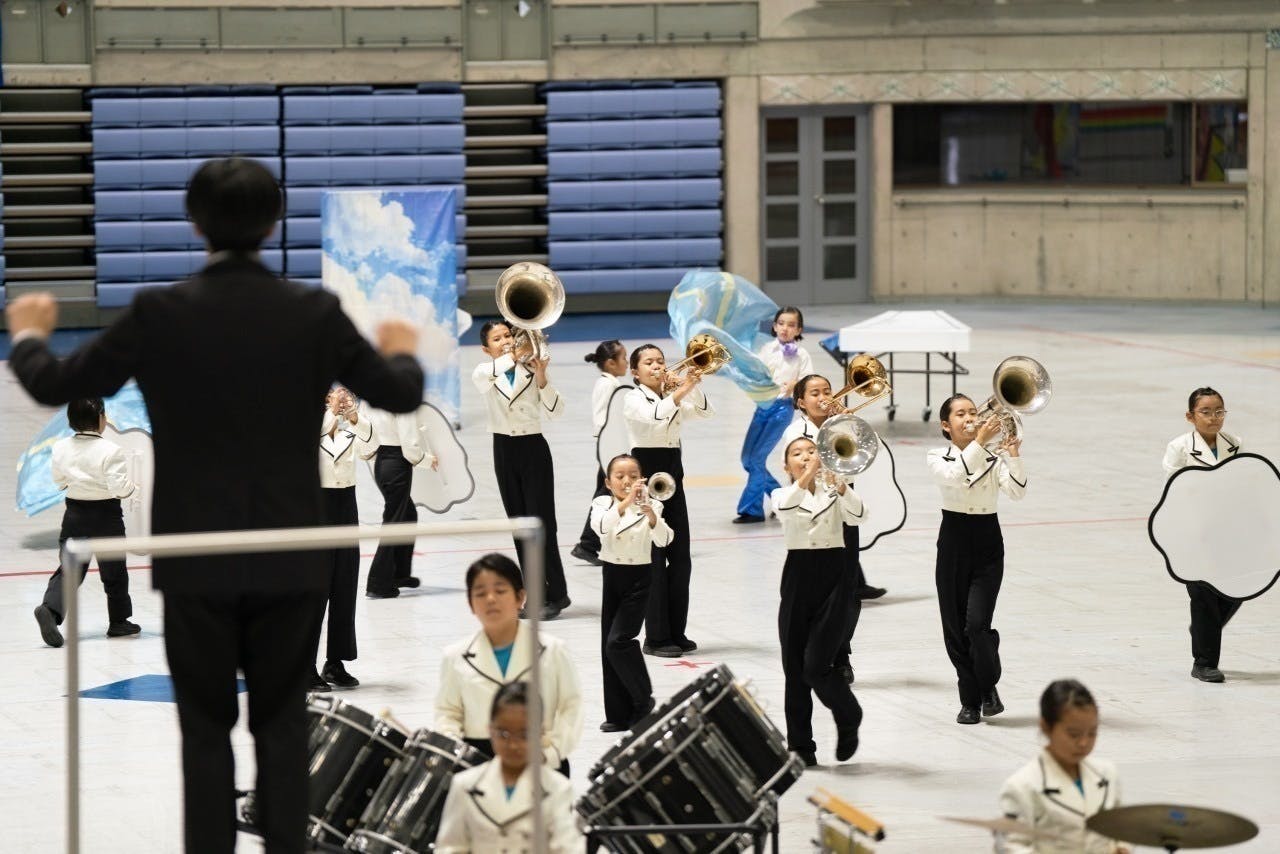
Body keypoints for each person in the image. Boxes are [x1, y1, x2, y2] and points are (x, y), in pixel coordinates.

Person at [6, 156, 424, 854]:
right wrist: (403, 352)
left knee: (204, 736)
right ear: (274, 223)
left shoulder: (158, 313)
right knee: (283, 728)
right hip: (290, 557)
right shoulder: (315, 314)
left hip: (195, 561)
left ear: (195, 224)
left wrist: (27, 333)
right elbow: (400, 393)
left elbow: (54, 383)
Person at [927, 393, 1026, 725]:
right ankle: (971, 700)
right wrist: (981, 443)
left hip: (987, 542)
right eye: (960, 414)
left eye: (973, 411)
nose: (970, 417)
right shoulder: (937, 456)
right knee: (956, 629)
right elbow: (954, 476)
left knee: (977, 625)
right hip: (953, 542)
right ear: (946, 425)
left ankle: (987, 684)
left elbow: (1017, 492)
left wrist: (1013, 455)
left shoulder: (993, 457)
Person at [435, 553, 582, 774]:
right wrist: (455, 750)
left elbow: (571, 708)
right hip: (478, 766)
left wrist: (551, 753)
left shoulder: (553, 650)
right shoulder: (454, 656)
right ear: (471, 604)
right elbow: (448, 712)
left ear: (520, 597)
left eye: (500, 590)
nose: (490, 599)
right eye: (480, 593)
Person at [771, 436, 865, 767]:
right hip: (798, 577)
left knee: (815, 665)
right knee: (794, 669)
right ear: (786, 465)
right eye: (797, 454)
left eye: (812, 451)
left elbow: (859, 515)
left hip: (834, 578)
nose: (806, 456)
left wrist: (841, 487)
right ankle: (800, 746)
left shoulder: (833, 491)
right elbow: (784, 509)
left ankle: (848, 712)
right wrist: (807, 477)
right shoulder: (782, 493)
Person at [472, 321, 570, 620]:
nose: (505, 341)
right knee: (519, 524)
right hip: (503, 449)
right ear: (486, 348)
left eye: (508, 335)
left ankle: (556, 593)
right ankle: (536, 593)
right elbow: (484, 378)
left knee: (542, 522)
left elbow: (556, 412)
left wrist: (542, 376)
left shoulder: (531, 368)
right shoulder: (484, 371)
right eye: (497, 338)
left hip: (533, 447)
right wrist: (514, 355)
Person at [623, 344, 714, 658]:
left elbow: (705, 412)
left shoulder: (671, 395)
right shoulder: (633, 398)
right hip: (646, 474)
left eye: (660, 361)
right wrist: (682, 389)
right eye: (648, 362)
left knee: (680, 558)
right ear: (635, 372)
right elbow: (654, 417)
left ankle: (677, 631)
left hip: (673, 474)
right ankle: (656, 637)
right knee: (655, 560)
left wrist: (691, 386)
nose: (657, 366)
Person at [32, 397, 141, 648]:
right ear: (101, 418)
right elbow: (119, 487)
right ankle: (119, 621)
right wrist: (134, 489)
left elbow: (59, 481)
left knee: (70, 569)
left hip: (74, 514)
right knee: (114, 571)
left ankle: (50, 610)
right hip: (107, 517)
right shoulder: (111, 450)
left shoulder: (60, 447)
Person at [436, 682, 585, 854]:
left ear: (540, 733)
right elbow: (450, 847)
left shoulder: (558, 788)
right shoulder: (464, 785)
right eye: (504, 734)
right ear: (490, 730)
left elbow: (567, 848)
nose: (513, 745)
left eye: (524, 735)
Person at [1162, 386, 1243, 683]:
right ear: (1190, 416)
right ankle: (1204, 663)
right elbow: (1176, 486)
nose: (1213, 418)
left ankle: (1202, 629)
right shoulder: (1179, 447)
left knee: (1238, 588)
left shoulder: (1235, 443)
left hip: (1226, 530)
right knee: (1203, 595)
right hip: (1192, 532)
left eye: (1219, 411)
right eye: (1206, 412)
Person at [590, 453, 672, 732]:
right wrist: (626, 503)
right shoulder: (602, 504)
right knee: (607, 646)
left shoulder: (653, 505)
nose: (627, 481)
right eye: (620, 476)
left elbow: (665, 540)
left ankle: (643, 699)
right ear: (608, 482)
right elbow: (602, 528)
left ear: (642, 480)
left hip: (640, 577)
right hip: (612, 575)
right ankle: (618, 714)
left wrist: (651, 515)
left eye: (634, 476)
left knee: (619, 641)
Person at [996, 680, 1126, 854]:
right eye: (1074, 734)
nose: (1084, 742)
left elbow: (1120, 829)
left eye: (1092, 733)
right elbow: (1011, 846)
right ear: (1046, 727)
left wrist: (1120, 847)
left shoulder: (1107, 774)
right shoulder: (1022, 786)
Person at [311, 386, 370, 691]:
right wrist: (331, 413)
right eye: (331, 398)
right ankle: (304, 666)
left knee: (344, 586)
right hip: (317, 509)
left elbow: (372, 446)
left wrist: (355, 417)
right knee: (315, 591)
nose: (338, 401)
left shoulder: (349, 432)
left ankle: (335, 662)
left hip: (346, 506)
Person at [735, 306, 812, 524]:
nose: (785, 328)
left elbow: (809, 381)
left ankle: (752, 510)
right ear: (774, 326)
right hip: (762, 406)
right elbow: (755, 373)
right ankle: (783, 498)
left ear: (799, 330)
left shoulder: (802, 355)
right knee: (748, 459)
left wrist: (796, 384)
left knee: (757, 459)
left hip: (782, 409)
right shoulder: (766, 349)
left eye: (791, 325)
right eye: (781, 323)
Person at [361, 402, 436, 598]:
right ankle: (378, 583)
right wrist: (427, 460)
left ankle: (400, 574)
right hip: (397, 463)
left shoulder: (369, 398)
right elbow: (409, 443)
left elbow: (365, 431)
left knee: (408, 514)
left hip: (381, 463)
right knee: (393, 522)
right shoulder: (400, 399)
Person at [571, 339, 628, 566]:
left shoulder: (609, 383)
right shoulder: (608, 386)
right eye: (624, 358)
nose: (627, 362)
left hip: (609, 446)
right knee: (605, 495)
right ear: (611, 363)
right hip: (610, 447)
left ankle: (592, 544)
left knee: (605, 494)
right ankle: (588, 545)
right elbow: (604, 419)